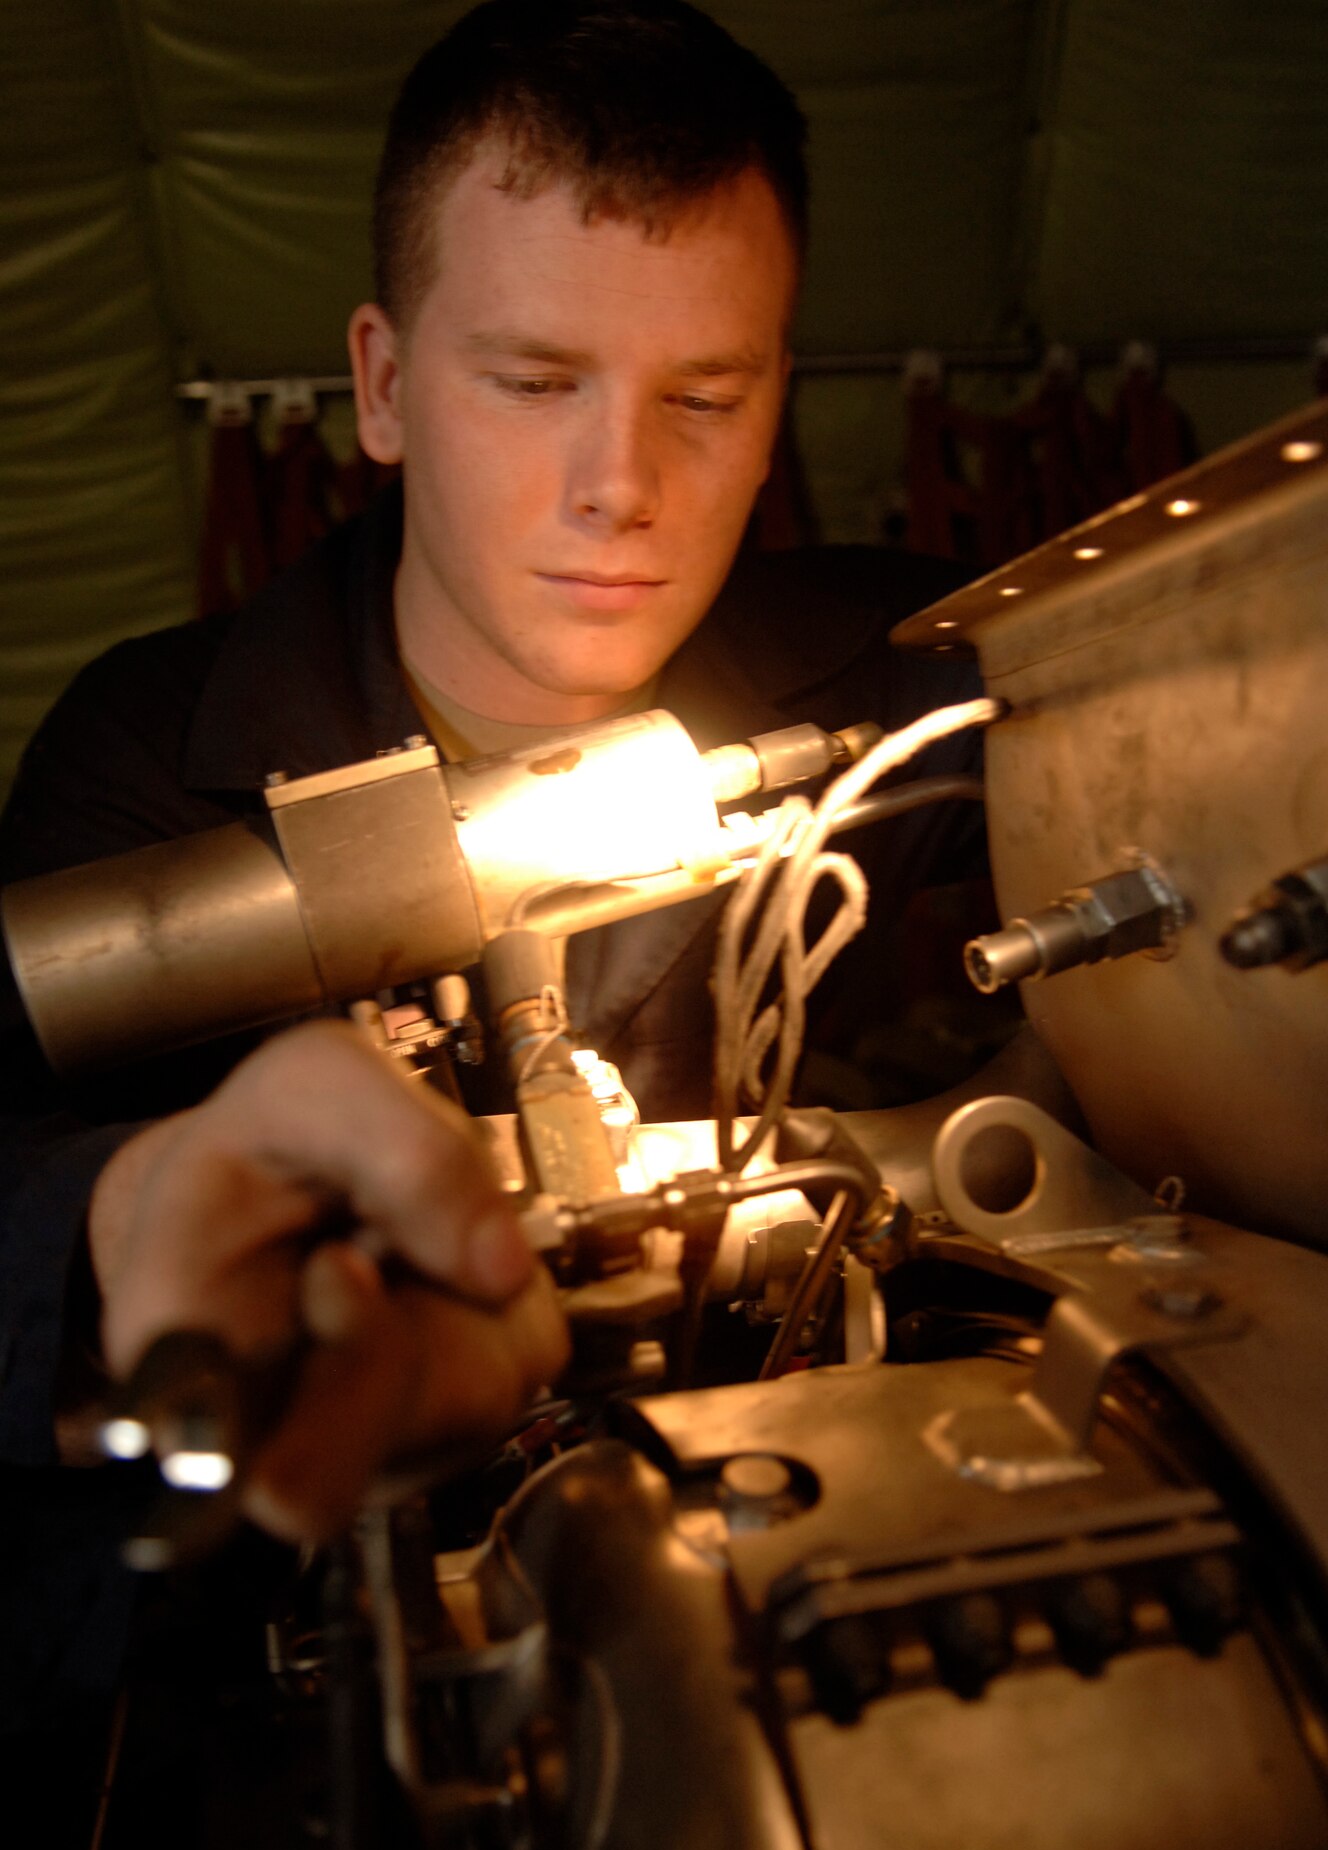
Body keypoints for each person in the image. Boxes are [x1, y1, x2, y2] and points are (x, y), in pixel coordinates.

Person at [0, 0, 986, 1560]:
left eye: (706, 398)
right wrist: (131, 1213)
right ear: (383, 387)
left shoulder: (913, 669)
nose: (621, 486)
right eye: (535, 383)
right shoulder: (145, 759)